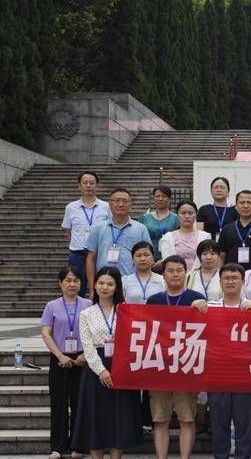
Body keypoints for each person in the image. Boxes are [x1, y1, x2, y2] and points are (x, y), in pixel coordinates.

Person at [189, 263, 251, 459]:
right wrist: (194, 305)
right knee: (219, 425)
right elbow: (191, 326)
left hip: (244, 376)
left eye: (235, 278)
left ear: (243, 282)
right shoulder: (209, 307)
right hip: (217, 375)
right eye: (226, 278)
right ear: (220, 282)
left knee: (244, 425)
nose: (230, 282)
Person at [72, 267, 143, 456]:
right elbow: (87, 346)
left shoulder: (125, 311)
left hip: (122, 366)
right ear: (94, 285)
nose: (105, 287)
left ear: (117, 287)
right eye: (101, 283)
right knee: (95, 417)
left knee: (120, 417)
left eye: (110, 284)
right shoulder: (86, 314)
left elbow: (133, 340)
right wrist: (101, 371)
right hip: (96, 369)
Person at [145, 256, 207, 459]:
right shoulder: (154, 301)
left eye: (179, 270)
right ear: (163, 274)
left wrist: (203, 308)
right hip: (159, 366)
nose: (175, 274)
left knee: (187, 419)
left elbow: (207, 330)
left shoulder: (197, 298)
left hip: (186, 366)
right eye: (170, 270)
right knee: (160, 420)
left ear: (186, 273)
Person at [42, 266, 92, 459]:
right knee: (58, 403)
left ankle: (79, 445)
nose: (72, 284)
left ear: (81, 283)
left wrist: (86, 354)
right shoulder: (51, 306)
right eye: (68, 280)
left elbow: (94, 332)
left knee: (80, 403)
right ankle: (58, 446)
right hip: (59, 358)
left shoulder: (88, 304)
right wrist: (59, 356)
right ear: (60, 283)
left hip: (82, 358)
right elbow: (46, 333)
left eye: (76, 280)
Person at [85, 188, 152, 296]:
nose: (121, 204)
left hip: (132, 283)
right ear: (110, 204)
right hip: (104, 283)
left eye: (125, 201)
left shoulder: (141, 229)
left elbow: (148, 257)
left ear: (131, 204)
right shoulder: (98, 228)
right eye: (116, 201)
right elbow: (90, 259)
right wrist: (92, 287)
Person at [63, 171, 111, 295]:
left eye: (91, 183)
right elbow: (69, 231)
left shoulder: (106, 206)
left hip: (99, 254)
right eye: (85, 183)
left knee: (102, 287)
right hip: (77, 254)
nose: (88, 185)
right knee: (76, 288)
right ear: (79, 186)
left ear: (97, 186)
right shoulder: (71, 207)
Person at [158, 201, 211, 271]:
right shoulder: (168, 238)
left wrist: (193, 275)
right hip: (175, 275)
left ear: (196, 215)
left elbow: (207, 259)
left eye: (190, 213)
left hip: (199, 275)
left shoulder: (205, 237)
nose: (187, 216)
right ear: (177, 215)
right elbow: (167, 261)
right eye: (183, 213)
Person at [139, 185, 180, 260]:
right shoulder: (145, 218)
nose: (160, 199)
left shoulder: (176, 218)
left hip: (169, 257)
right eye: (157, 196)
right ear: (153, 198)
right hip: (147, 258)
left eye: (164, 196)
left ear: (169, 199)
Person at [196, 176, 238, 242]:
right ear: (211, 191)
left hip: (229, 245)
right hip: (209, 246)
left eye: (222, 187)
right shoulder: (204, 209)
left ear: (228, 192)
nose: (219, 190)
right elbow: (199, 234)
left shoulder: (235, 210)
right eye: (215, 187)